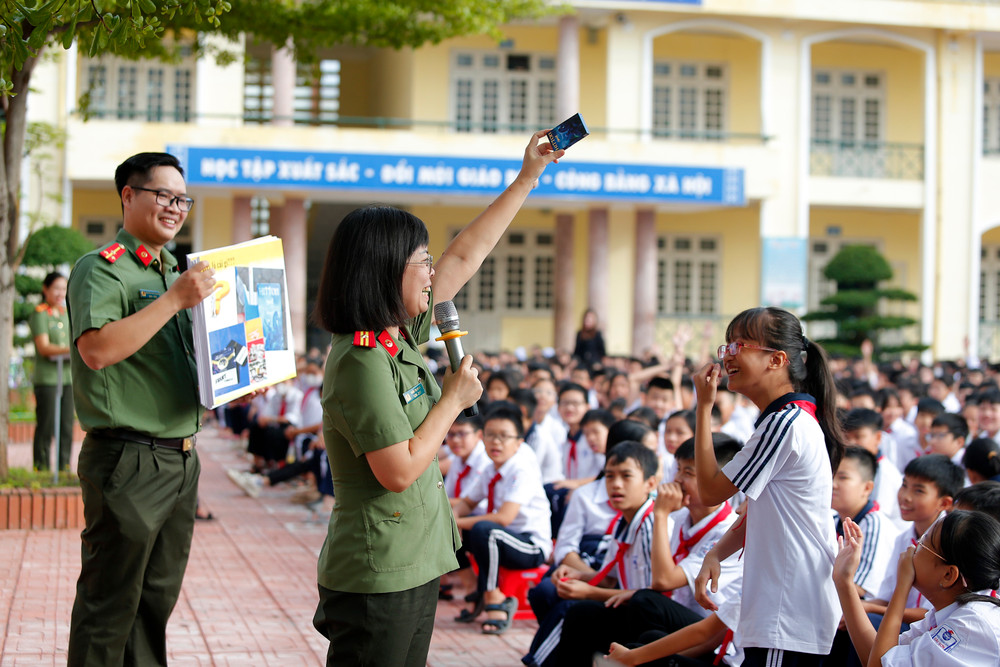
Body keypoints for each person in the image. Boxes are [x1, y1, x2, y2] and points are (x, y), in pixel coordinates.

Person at [310, 130, 561, 666]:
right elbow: (398, 470)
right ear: (384, 270)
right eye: (421, 261)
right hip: (380, 570)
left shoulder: (395, 336)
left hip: (416, 557)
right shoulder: (360, 359)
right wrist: (452, 401)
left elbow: (466, 255)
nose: (432, 272)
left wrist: (527, 178)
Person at [66, 152, 218, 666]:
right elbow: (97, 350)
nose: (175, 207)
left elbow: (183, 364)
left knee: (155, 603)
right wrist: (173, 300)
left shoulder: (179, 271)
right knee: (109, 604)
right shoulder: (101, 269)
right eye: (163, 196)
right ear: (128, 196)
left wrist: (234, 384)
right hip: (128, 459)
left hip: (182, 458)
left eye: (183, 200)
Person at [692, 306, 846, 666]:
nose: (728, 356)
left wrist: (703, 408)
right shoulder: (787, 419)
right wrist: (716, 553)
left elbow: (710, 492)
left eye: (740, 345)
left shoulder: (784, 423)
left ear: (776, 360)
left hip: (787, 610)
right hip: (786, 611)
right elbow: (770, 512)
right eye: (727, 346)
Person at [833, 510, 1000, 666]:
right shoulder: (948, 613)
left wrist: (902, 587)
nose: (911, 550)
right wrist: (844, 581)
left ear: (948, 575)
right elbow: (879, 656)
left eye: (922, 545)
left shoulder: (970, 624)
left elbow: (879, 664)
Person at [453, 402, 552, 635]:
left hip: (530, 545)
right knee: (451, 525)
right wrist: (452, 519)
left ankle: (495, 599)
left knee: (484, 529)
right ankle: (473, 589)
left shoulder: (521, 470)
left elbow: (505, 518)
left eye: (504, 436)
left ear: (519, 443)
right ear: (482, 438)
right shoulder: (491, 469)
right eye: (490, 435)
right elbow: (467, 503)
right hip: (502, 539)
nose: (496, 442)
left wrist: (457, 522)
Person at [30, 271, 74, 471]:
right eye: (56, 288)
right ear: (45, 289)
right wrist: (71, 350)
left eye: (63, 289)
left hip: (67, 378)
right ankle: (42, 468)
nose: (60, 293)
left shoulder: (66, 314)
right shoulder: (40, 314)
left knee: (66, 425)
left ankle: (64, 467)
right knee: (46, 425)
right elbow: (44, 347)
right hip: (47, 379)